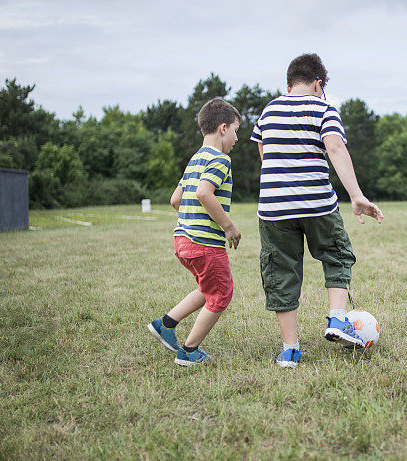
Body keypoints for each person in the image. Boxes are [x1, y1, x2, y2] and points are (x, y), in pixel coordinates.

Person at [250, 53, 384, 368]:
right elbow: (335, 147)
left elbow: (263, 151)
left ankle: (290, 350)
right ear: (318, 83)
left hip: (273, 209)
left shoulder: (269, 110)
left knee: (281, 272)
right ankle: (337, 319)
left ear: (288, 83)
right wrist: (356, 195)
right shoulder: (323, 108)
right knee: (336, 254)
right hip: (316, 203)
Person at [147, 98, 241, 366]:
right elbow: (203, 193)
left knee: (207, 287)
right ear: (223, 128)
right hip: (205, 244)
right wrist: (229, 227)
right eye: (235, 130)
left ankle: (165, 324)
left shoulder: (194, 160)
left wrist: (191, 221)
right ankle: (189, 351)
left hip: (182, 240)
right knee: (221, 293)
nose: (237, 138)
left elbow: (176, 200)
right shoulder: (221, 159)